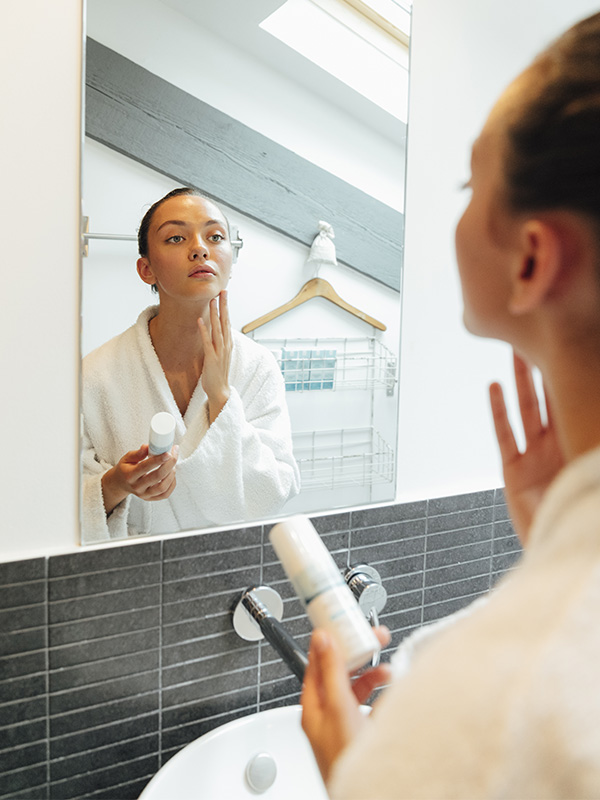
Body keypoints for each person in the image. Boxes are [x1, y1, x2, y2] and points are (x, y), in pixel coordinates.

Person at [301, 11, 600, 798]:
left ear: (532, 257)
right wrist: (558, 542)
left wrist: (355, 769)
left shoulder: (483, 699)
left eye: (471, 185)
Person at [82, 188, 300, 541]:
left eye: (215, 236)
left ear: (230, 259)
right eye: (176, 237)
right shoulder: (94, 375)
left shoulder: (258, 367)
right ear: (146, 269)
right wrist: (116, 484)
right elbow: (56, 502)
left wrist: (221, 397)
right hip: (128, 573)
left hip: (226, 566)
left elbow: (273, 489)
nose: (200, 248)